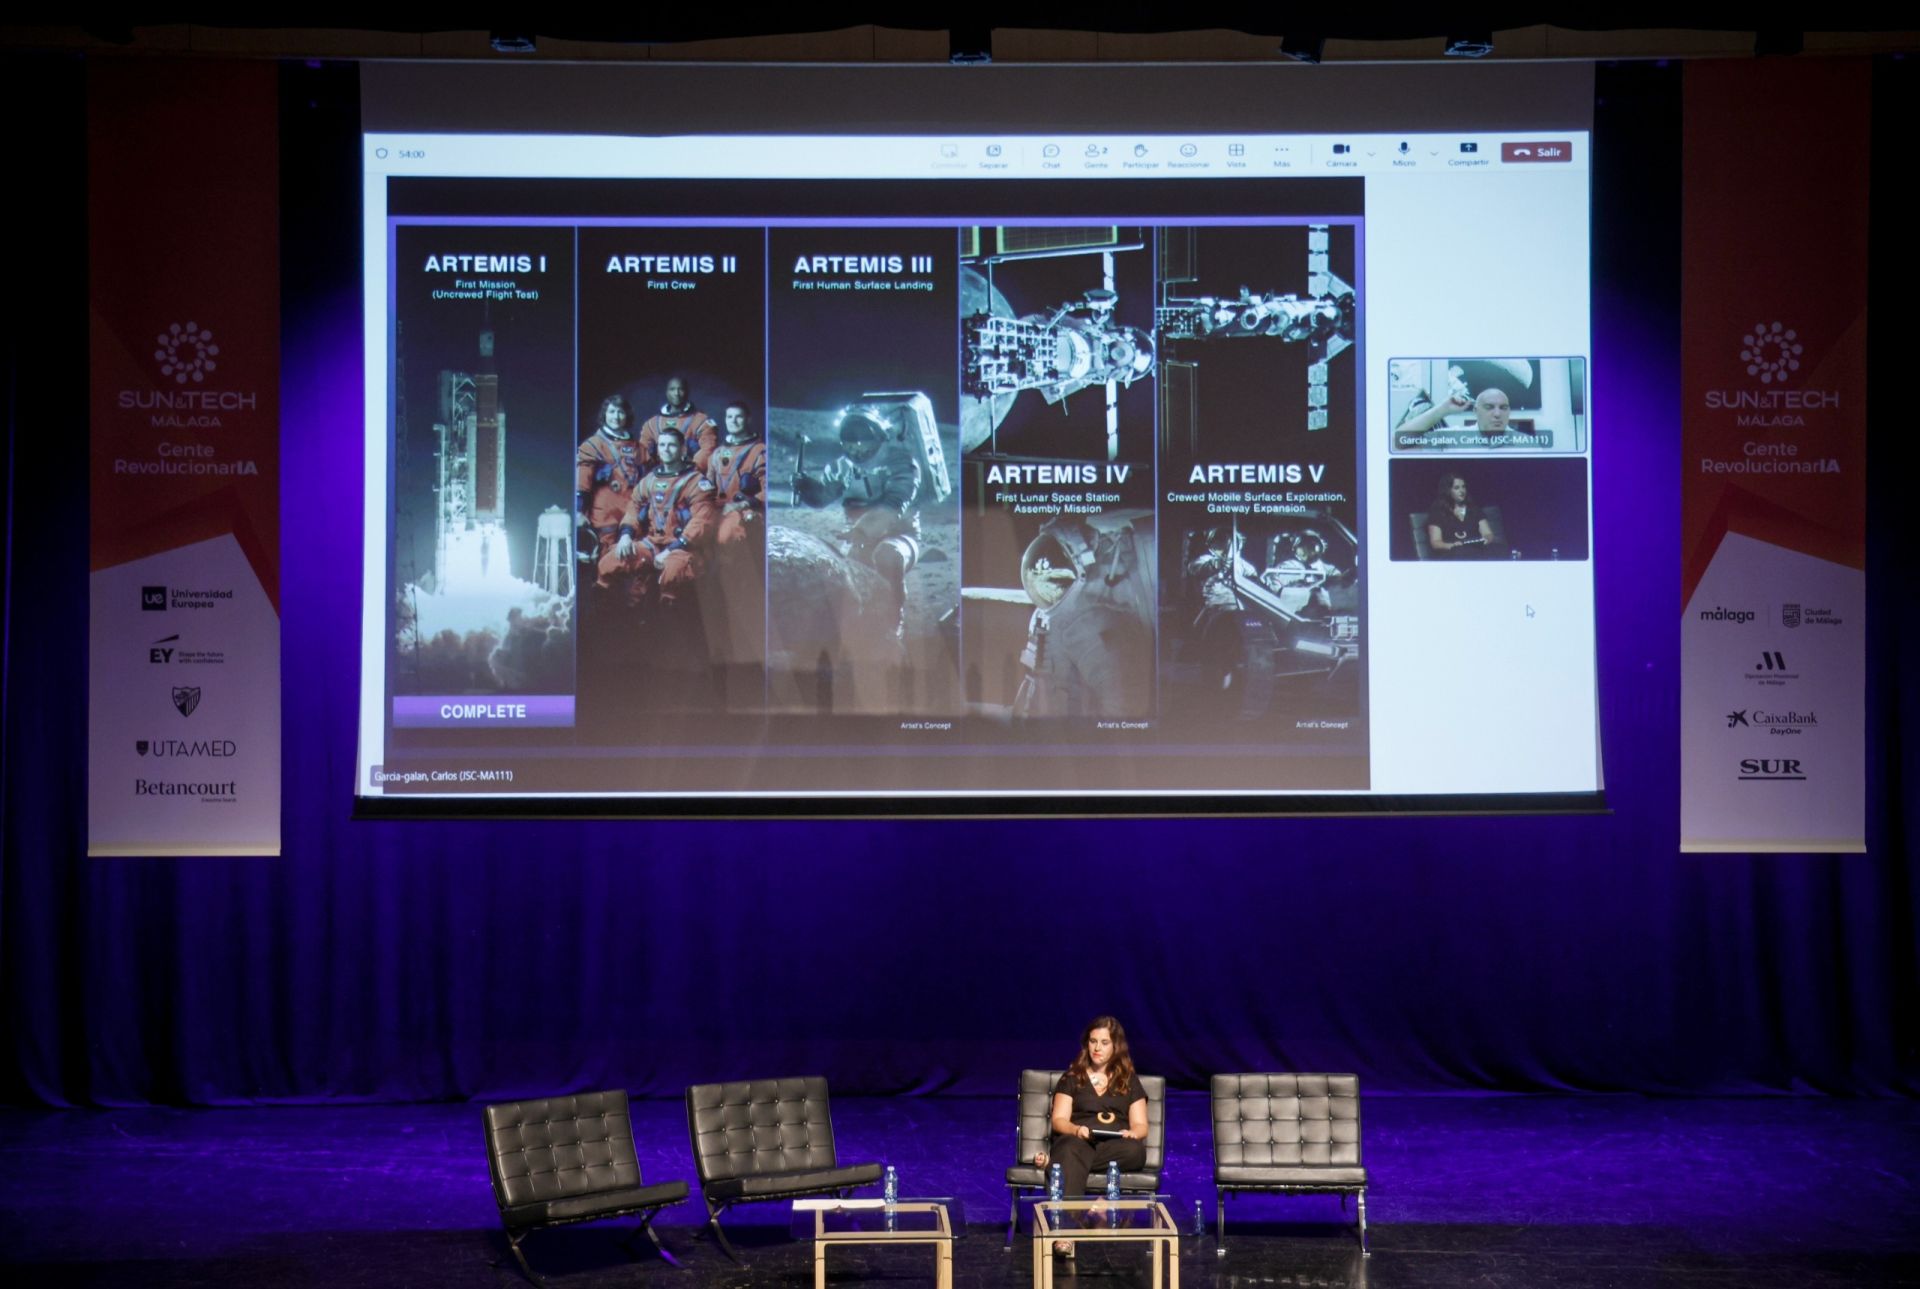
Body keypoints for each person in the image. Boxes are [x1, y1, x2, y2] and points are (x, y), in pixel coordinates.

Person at [1032, 1015, 1149, 1255]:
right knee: (1071, 1149)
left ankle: (1058, 1167)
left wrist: (1131, 1133)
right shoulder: (1073, 1078)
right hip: (1079, 1140)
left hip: (1115, 1146)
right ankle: (1066, 1233)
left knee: (1135, 1150)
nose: (1097, 1048)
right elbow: (1059, 1120)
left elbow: (1141, 1125)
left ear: (1116, 1046)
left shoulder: (1129, 1080)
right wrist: (1076, 1129)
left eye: (1104, 1042)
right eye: (1093, 1041)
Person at [597, 425, 716, 610]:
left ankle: (667, 619)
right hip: (653, 543)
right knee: (609, 562)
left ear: (683, 449)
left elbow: (702, 522)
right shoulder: (649, 481)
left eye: (671, 445)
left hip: (684, 547)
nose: (666, 450)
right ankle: (605, 616)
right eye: (662, 445)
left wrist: (672, 549)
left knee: (672, 572)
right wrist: (626, 535)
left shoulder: (696, 482)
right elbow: (633, 509)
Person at [574, 394, 644, 572]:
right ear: (604, 414)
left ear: (627, 415)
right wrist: (579, 510)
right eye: (611, 411)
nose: (616, 416)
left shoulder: (637, 447)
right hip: (605, 514)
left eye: (620, 412)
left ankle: (632, 600)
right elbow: (582, 482)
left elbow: (649, 479)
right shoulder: (593, 445)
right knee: (606, 564)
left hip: (632, 512)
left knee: (635, 562)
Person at [706, 401, 766, 554]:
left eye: (738, 417)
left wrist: (742, 505)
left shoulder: (760, 452)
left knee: (725, 537)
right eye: (729, 417)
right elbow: (707, 489)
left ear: (748, 419)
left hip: (744, 510)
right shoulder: (717, 453)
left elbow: (768, 491)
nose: (733, 421)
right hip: (719, 509)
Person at [638, 376, 719, 474]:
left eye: (680, 389)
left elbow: (708, 448)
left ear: (687, 392)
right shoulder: (652, 424)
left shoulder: (701, 421)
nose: (676, 393)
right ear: (666, 392)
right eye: (672, 389)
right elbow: (643, 451)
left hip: (690, 474)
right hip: (660, 475)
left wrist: (692, 469)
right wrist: (653, 472)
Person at [1261, 529, 1337, 618]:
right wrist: (1299, 587)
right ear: (1297, 547)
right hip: (1293, 613)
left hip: (1322, 614)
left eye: (1312, 546)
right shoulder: (1288, 566)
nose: (1309, 551)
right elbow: (1275, 591)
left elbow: (1337, 577)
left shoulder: (1322, 567)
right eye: (1305, 546)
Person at [1396, 385, 1515, 442]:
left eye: (1503, 408)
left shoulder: (1526, 442)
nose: (1497, 414)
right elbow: (1400, 441)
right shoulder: (1453, 438)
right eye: (1489, 407)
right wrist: (1442, 409)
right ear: (1475, 411)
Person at [1426, 472, 1496, 557]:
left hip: (1476, 550)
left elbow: (1488, 533)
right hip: (1452, 553)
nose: (1462, 491)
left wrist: (1487, 539)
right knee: (1461, 552)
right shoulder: (1438, 513)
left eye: (1463, 487)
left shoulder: (1474, 510)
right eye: (1456, 488)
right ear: (1448, 490)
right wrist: (1452, 545)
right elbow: (1436, 542)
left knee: (1498, 549)